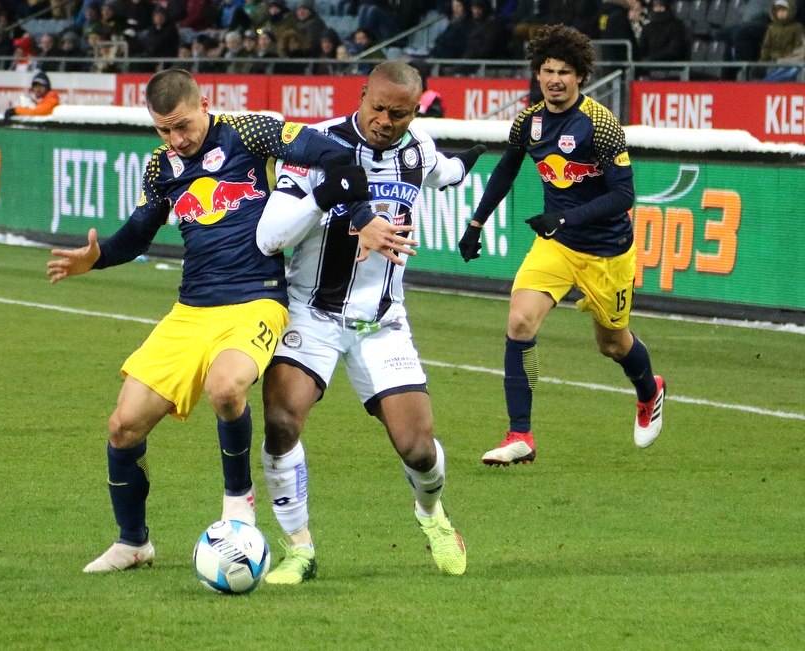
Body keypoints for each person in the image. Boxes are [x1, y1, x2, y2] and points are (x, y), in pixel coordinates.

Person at [46, 68, 386, 573]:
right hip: (191, 311)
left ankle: (237, 499)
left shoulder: (250, 132)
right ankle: (133, 542)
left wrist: (360, 217)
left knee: (226, 389)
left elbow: (333, 154)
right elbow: (138, 235)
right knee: (122, 427)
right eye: (163, 129)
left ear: (204, 103)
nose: (175, 140)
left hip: (257, 300)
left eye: (182, 126)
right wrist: (93, 259)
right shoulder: (162, 165)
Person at [255, 61, 487, 584]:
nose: (385, 120)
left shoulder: (418, 149)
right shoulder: (313, 147)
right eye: (377, 107)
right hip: (311, 313)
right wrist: (328, 200)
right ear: (361, 95)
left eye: (399, 114)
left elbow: (443, 171)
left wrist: (467, 163)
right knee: (280, 423)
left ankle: (432, 515)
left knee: (419, 450)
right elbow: (270, 237)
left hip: (382, 323)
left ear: (415, 112)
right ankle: (299, 550)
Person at [458, 24, 665, 466]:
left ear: (581, 77)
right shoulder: (529, 121)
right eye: (547, 70)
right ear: (537, 74)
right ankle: (521, 436)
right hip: (556, 246)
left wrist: (564, 216)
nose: (555, 79)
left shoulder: (601, 125)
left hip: (608, 252)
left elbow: (624, 196)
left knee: (612, 344)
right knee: (519, 322)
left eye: (564, 72)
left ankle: (649, 390)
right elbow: (506, 170)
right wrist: (476, 222)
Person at [759, 0, 805, 81]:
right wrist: (762, 61)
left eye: (784, 11)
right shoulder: (771, 28)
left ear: (790, 11)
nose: (781, 14)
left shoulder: (797, 27)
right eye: (778, 11)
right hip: (773, 64)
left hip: (790, 64)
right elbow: (766, 46)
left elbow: (800, 47)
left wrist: (789, 59)